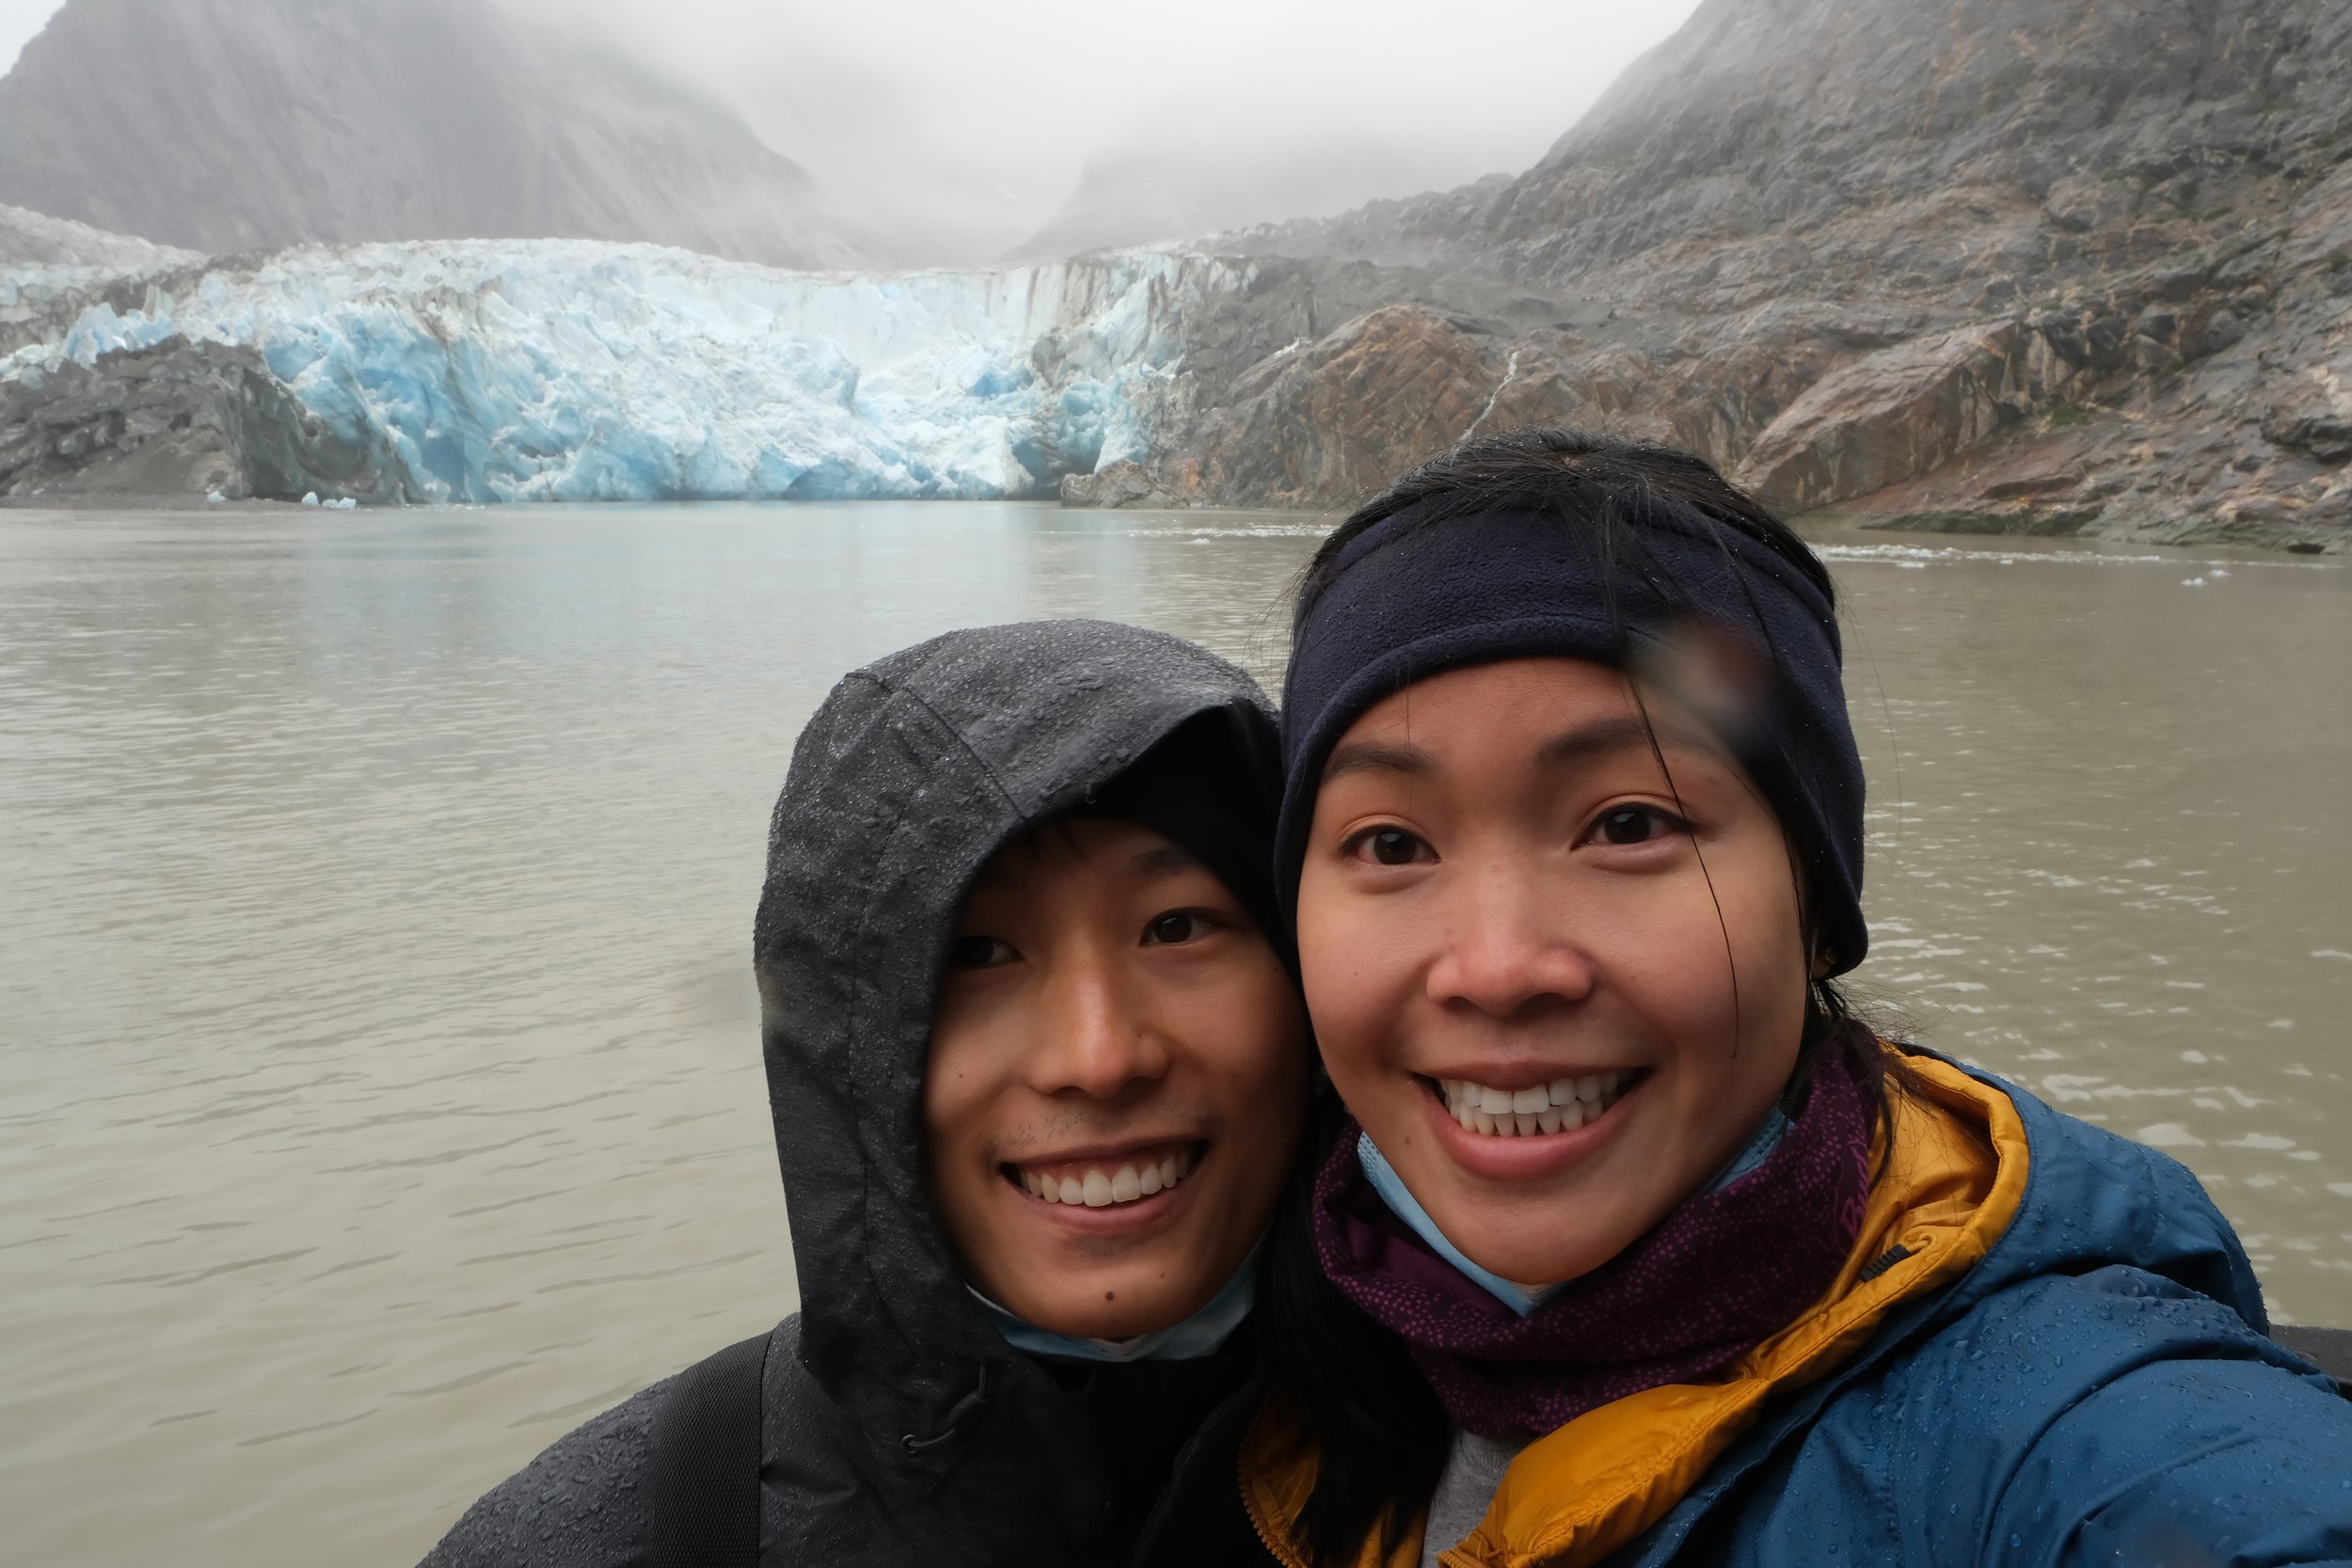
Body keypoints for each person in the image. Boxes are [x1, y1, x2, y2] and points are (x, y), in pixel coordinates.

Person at [1238, 429, 2352, 1568]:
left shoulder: (2054, 1414)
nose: (1497, 965)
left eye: (1629, 823)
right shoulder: (1262, 1326)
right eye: (1390, 843)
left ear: (1816, 908)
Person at [421, 618, 1309, 1567]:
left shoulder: (1432, 1482)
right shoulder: (626, 1535)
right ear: (843, 1037)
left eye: (1176, 926)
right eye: (978, 952)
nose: (1098, 1057)